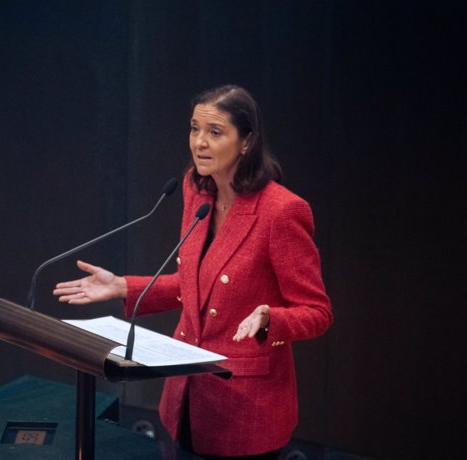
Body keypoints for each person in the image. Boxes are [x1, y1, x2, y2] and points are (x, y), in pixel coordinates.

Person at [54, 85, 333, 459]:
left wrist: (270, 319)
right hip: (186, 398)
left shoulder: (281, 212)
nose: (199, 142)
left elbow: (317, 313)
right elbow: (197, 287)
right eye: (194, 129)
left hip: (245, 409)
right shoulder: (197, 189)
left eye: (215, 132)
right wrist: (123, 286)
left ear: (247, 141)